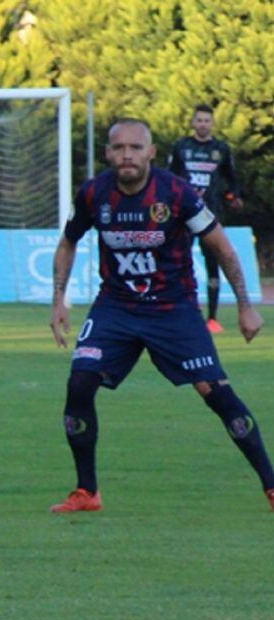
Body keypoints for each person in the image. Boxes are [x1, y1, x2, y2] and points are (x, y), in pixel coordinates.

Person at [49, 118, 274, 514]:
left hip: (173, 309)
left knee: (216, 393)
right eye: (119, 148)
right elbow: (68, 242)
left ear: (151, 152)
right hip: (115, 307)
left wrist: (245, 306)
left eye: (136, 148)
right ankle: (87, 492)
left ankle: (271, 486)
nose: (127, 156)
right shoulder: (93, 194)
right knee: (80, 382)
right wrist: (58, 300)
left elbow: (222, 247)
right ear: (108, 154)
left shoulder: (176, 193)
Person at [168, 104, 245, 334]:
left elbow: (232, 179)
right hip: (184, 214)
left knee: (214, 264)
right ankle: (178, 311)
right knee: (178, 262)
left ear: (212, 123)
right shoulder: (181, 147)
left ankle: (212, 318)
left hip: (212, 215)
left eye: (206, 120)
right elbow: (168, 177)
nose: (202, 124)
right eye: (199, 120)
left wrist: (235, 196)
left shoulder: (221, 149)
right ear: (193, 122)